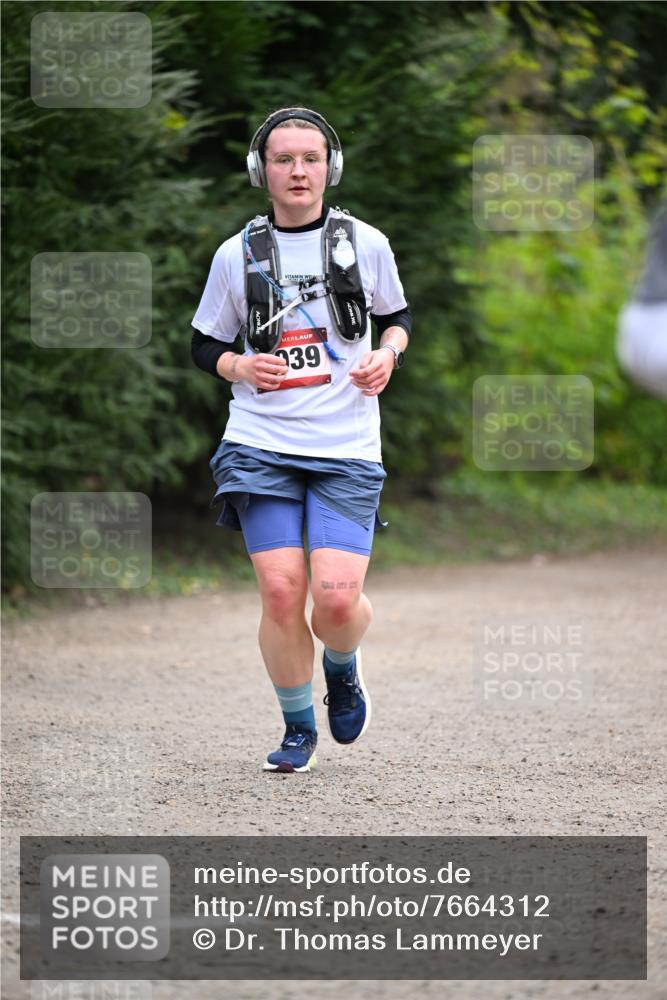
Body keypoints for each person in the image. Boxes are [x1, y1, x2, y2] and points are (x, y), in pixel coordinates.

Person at [191, 107, 411, 773]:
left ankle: (341, 667)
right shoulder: (237, 254)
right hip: (259, 442)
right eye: (283, 159)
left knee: (336, 599)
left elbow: (396, 318)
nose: (297, 170)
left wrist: (389, 354)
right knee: (283, 592)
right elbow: (204, 343)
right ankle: (295, 728)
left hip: (345, 446)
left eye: (309, 158)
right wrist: (236, 365)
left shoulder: (364, 243)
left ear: (328, 167)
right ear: (262, 171)